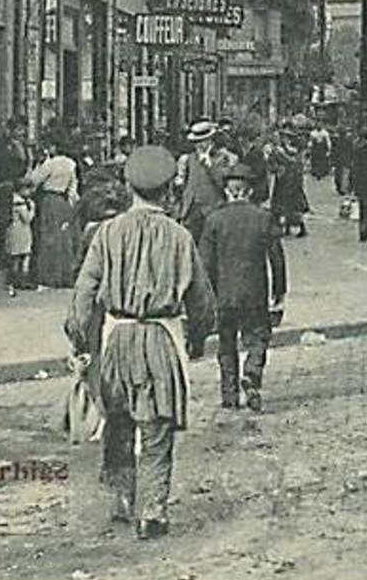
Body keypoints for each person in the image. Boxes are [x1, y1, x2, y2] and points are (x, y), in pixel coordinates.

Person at [65, 146, 217, 539]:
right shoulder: (180, 237)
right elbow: (201, 301)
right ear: (168, 191)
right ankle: (153, 510)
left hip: (117, 338)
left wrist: (80, 341)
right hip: (160, 340)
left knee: (118, 421)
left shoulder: (107, 234)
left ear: (128, 188)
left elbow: (83, 295)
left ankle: (122, 498)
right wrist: (198, 337)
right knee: (156, 428)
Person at [198, 163, 287, 412]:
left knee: (226, 343)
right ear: (248, 191)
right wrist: (279, 293)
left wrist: (207, 297)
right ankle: (252, 371)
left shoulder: (214, 220)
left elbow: (204, 264)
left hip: (224, 295)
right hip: (255, 292)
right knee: (259, 335)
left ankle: (229, 395)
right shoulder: (263, 218)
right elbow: (277, 259)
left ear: (228, 190)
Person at [25, 137, 79, 288]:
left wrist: (35, 164)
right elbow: (73, 187)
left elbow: (35, 180)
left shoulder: (51, 164)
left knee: (48, 238)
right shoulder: (71, 164)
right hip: (63, 200)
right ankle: (65, 275)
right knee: (64, 239)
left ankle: (49, 276)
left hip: (49, 199)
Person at [174, 120, 226, 246]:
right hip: (192, 211)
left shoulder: (222, 158)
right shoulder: (188, 158)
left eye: (203, 141)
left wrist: (210, 166)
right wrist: (179, 182)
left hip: (212, 210)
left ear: (211, 141)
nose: (199, 145)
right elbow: (182, 186)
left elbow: (223, 185)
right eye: (196, 142)